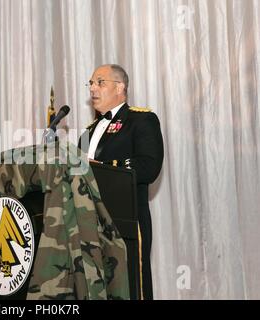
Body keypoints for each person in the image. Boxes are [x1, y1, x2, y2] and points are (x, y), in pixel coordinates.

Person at [79, 64, 164, 300]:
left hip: (125, 220)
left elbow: (149, 167)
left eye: (100, 82)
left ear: (120, 87)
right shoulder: (87, 133)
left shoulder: (140, 120)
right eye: (91, 83)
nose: (93, 88)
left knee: (131, 287)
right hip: (90, 223)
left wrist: (105, 169)